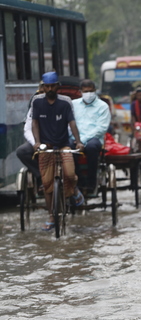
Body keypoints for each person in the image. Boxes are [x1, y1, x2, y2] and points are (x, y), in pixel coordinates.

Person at [32, 71, 84, 231]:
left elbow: (72, 123)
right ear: (43, 87)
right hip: (45, 147)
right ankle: (52, 217)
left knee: (69, 173)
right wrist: (37, 142)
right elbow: (34, 123)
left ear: (57, 86)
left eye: (52, 86)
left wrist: (78, 141)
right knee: (47, 184)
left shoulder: (65, 102)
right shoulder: (37, 102)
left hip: (63, 145)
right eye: (46, 86)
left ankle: (74, 190)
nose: (49, 89)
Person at [71, 79, 111, 195]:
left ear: (95, 91)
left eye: (91, 91)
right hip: (74, 138)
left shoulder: (103, 106)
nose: (88, 94)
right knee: (67, 150)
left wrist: (81, 141)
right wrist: (75, 139)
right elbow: (69, 122)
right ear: (80, 92)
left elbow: (101, 128)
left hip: (93, 138)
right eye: (85, 91)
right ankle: (78, 181)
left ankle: (91, 183)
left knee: (92, 147)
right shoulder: (73, 105)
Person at [16, 82, 45, 191]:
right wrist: (36, 143)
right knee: (21, 151)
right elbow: (28, 128)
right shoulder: (34, 105)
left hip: (55, 140)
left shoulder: (62, 104)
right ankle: (40, 176)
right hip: (37, 140)